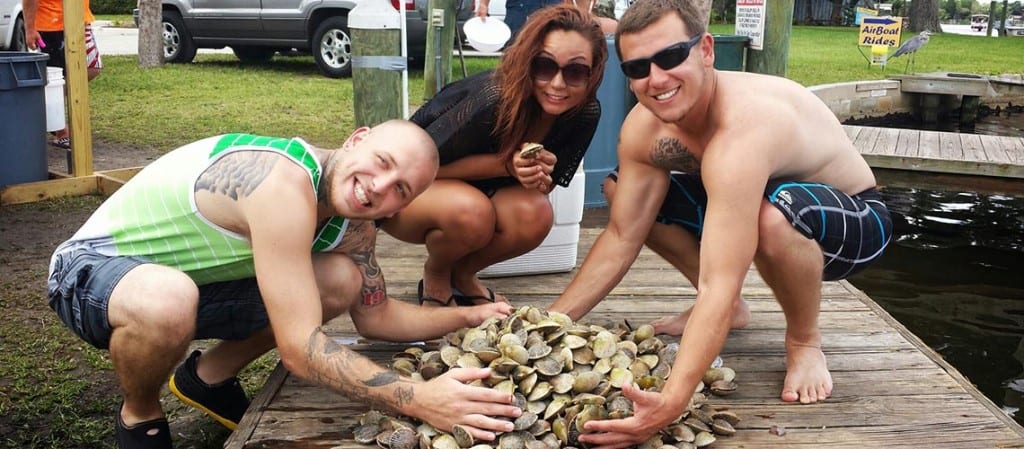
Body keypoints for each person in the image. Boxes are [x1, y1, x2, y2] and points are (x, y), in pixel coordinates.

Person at [46, 121, 521, 449]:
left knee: (341, 279)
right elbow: (299, 349)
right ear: (356, 140)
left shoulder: (356, 227)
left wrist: (469, 315)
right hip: (90, 273)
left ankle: (206, 378)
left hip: (191, 286)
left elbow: (376, 316)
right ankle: (140, 412)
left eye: (401, 188)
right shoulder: (280, 180)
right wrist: (419, 398)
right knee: (168, 300)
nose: (380, 186)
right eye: (382, 161)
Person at [547, 0, 893, 446]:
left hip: (855, 219)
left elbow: (720, 280)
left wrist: (671, 401)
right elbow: (621, 235)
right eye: (637, 67)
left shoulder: (743, 129)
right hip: (758, 198)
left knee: (772, 218)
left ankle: (804, 341)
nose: (656, 79)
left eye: (671, 56)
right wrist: (550, 322)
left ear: (706, 50)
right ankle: (731, 316)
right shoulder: (644, 127)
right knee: (622, 193)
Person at [379, 4, 606, 307]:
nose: (557, 84)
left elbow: (544, 190)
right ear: (527, 61)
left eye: (576, 71)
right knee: (473, 212)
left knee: (536, 214)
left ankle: (462, 275)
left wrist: (537, 173)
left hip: (474, 196)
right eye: (544, 66)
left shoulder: (584, 113)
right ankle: (436, 274)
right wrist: (506, 165)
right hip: (400, 192)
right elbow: (410, 167)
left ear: (594, 72)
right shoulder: (493, 99)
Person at [23, 0, 103, 150]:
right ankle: (60, 130)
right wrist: (30, 28)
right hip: (50, 25)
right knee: (53, 78)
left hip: (79, 19)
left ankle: (48, 110)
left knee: (92, 67)